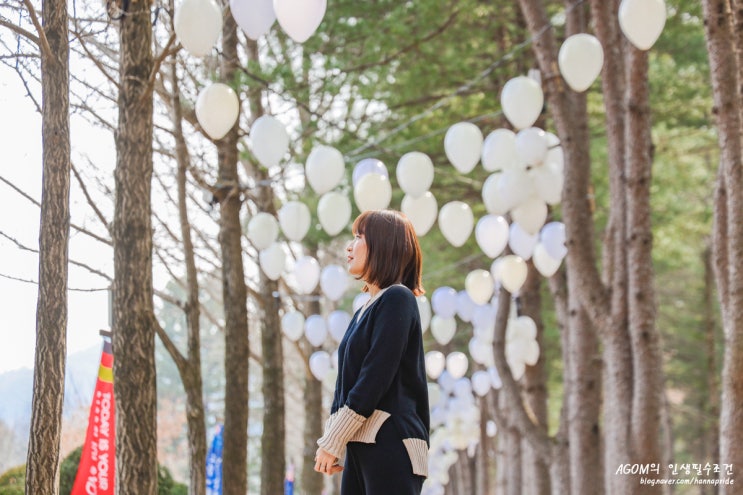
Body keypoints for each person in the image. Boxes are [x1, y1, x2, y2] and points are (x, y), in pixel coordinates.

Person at [314, 209, 430, 495]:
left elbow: (374, 377)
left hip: (391, 441)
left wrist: (333, 440)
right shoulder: (366, 308)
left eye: (358, 237)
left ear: (383, 245)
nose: (349, 246)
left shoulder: (397, 298)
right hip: (362, 444)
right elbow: (347, 383)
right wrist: (334, 440)